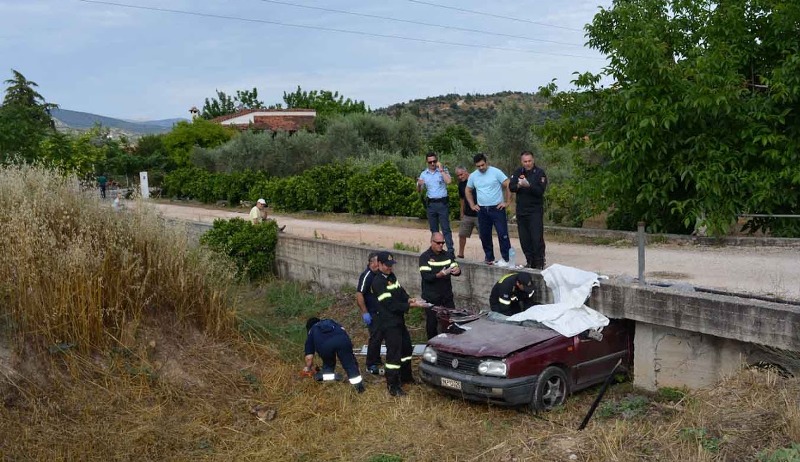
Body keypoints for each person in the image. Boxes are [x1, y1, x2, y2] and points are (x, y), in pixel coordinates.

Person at [371, 251, 427, 396]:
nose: (390, 268)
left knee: (407, 349)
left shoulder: (391, 277)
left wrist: (409, 299)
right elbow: (390, 304)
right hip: (388, 323)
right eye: (387, 265)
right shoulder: (377, 282)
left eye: (391, 265)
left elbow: (400, 291)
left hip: (398, 320)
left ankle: (406, 376)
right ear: (380, 265)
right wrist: (410, 306)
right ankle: (393, 385)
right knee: (394, 355)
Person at [465, 153, 512, 267]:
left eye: (482, 165)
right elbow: (468, 190)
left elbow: (508, 184)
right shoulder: (473, 176)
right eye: (478, 166)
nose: (481, 168)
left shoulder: (496, 172)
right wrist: (472, 204)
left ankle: (506, 259)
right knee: (485, 235)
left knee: (502, 234)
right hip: (482, 210)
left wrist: (507, 202)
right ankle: (489, 257)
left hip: (497, 208)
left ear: (486, 162)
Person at [303, 317, 366, 393]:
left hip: (325, 346)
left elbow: (309, 358)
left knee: (328, 365)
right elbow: (344, 331)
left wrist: (308, 368)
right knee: (349, 364)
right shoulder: (332, 322)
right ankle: (359, 389)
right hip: (343, 341)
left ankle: (330, 387)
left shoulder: (312, 331)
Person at [509, 150, 548, 269]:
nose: (527, 163)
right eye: (525, 161)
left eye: (529, 161)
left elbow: (540, 191)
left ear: (533, 160)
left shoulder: (539, 173)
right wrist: (519, 185)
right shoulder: (518, 172)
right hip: (521, 211)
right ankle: (530, 261)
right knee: (525, 240)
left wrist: (529, 186)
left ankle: (539, 263)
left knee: (536, 239)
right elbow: (511, 187)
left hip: (534, 211)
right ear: (521, 162)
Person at [419, 232, 461, 339]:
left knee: (450, 321)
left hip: (446, 296)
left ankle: (450, 345)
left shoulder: (447, 255)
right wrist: (440, 274)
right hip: (431, 297)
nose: (441, 245)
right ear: (432, 242)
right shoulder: (425, 257)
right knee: (432, 324)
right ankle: (432, 345)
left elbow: (455, 267)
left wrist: (457, 270)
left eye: (442, 243)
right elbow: (426, 277)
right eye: (438, 243)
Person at [417, 152, 454, 257]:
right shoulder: (424, 174)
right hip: (431, 204)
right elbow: (419, 190)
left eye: (434, 161)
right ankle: (436, 250)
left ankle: (450, 251)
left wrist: (441, 169)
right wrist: (419, 185)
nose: (432, 163)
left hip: (442, 203)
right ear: (426, 162)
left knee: (445, 228)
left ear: (437, 160)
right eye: (430, 162)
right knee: (434, 230)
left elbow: (449, 181)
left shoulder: (443, 171)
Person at [356, 252, 383, 374]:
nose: (379, 264)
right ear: (371, 262)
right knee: (375, 338)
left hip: (380, 312)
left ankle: (377, 359)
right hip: (371, 312)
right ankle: (370, 363)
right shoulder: (367, 275)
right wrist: (365, 312)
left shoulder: (379, 274)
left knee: (380, 336)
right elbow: (359, 294)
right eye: (378, 262)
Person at [455, 166, 478, 259]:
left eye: (461, 174)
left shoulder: (475, 180)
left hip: (479, 213)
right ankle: (461, 254)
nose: (460, 177)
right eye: (458, 176)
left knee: (484, 236)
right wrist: (462, 212)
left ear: (466, 172)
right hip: (467, 214)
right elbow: (462, 199)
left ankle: (488, 256)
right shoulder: (461, 184)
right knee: (462, 234)